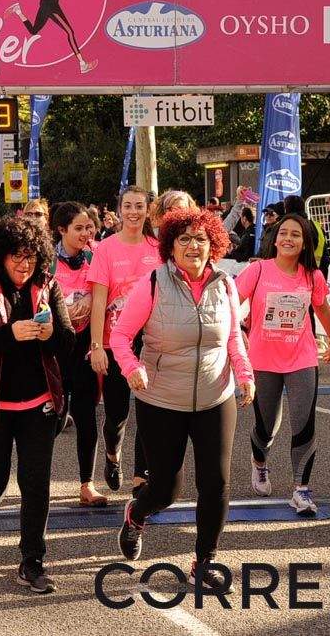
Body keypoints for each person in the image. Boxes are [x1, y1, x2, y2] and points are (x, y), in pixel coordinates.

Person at [110, 209, 255, 591]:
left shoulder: (225, 285)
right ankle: (136, 515)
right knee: (166, 489)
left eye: (202, 240)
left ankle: (204, 561)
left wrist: (245, 374)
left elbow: (233, 338)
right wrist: (131, 368)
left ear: (214, 246)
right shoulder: (153, 283)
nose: (194, 246)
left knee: (216, 483)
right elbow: (121, 337)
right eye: (185, 239)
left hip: (215, 395)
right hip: (161, 398)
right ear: (171, 247)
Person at [0, 216, 73, 593]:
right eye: (16, 258)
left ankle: (32, 560)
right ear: (0, 256)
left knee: (35, 483)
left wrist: (52, 333)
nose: (25, 266)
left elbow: (68, 343)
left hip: (39, 403)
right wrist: (10, 334)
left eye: (32, 258)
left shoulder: (48, 286)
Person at [236, 213, 330, 516]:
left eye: (296, 234)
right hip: (263, 358)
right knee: (267, 427)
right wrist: (236, 332)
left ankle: (301, 490)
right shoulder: (258, 270)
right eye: (284, 233)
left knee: (304, 422)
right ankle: (260, 463)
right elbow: (231, 301)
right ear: (275, 238)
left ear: (305, 242)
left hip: (301, 357)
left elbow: (322, 308)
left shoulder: (312, 276)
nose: (288, 239)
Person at [87, 187, 161, 497]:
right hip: (115, 342)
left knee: (148, 410)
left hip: (153, 342)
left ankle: (141, 477)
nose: (133, 212)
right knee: (117, 415)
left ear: (147, 211)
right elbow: (99, 300)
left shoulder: (158, 248)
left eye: (139, 206)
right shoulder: (106, 249)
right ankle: (112, 455)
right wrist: (96, 346)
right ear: (120, 209)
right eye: (127, 206)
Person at [49, 201, 107, 506]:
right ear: (62, 230)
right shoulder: (46, 261)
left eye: (89, 227)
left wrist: (91, 301)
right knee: (51, 419)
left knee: (86, 416)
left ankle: (87, 484)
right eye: (79, 228)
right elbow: (35, 303)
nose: (86, 233)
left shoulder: (96, 256)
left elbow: (109, 292)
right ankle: (36, 479)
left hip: (84, 347)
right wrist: (61, 313)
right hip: (54, 350)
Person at [282, 195, 330, 279]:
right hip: (315, 275)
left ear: (287, 209)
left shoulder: (285, 227)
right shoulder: (317, 226)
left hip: (289, 276)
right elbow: (325, 256)